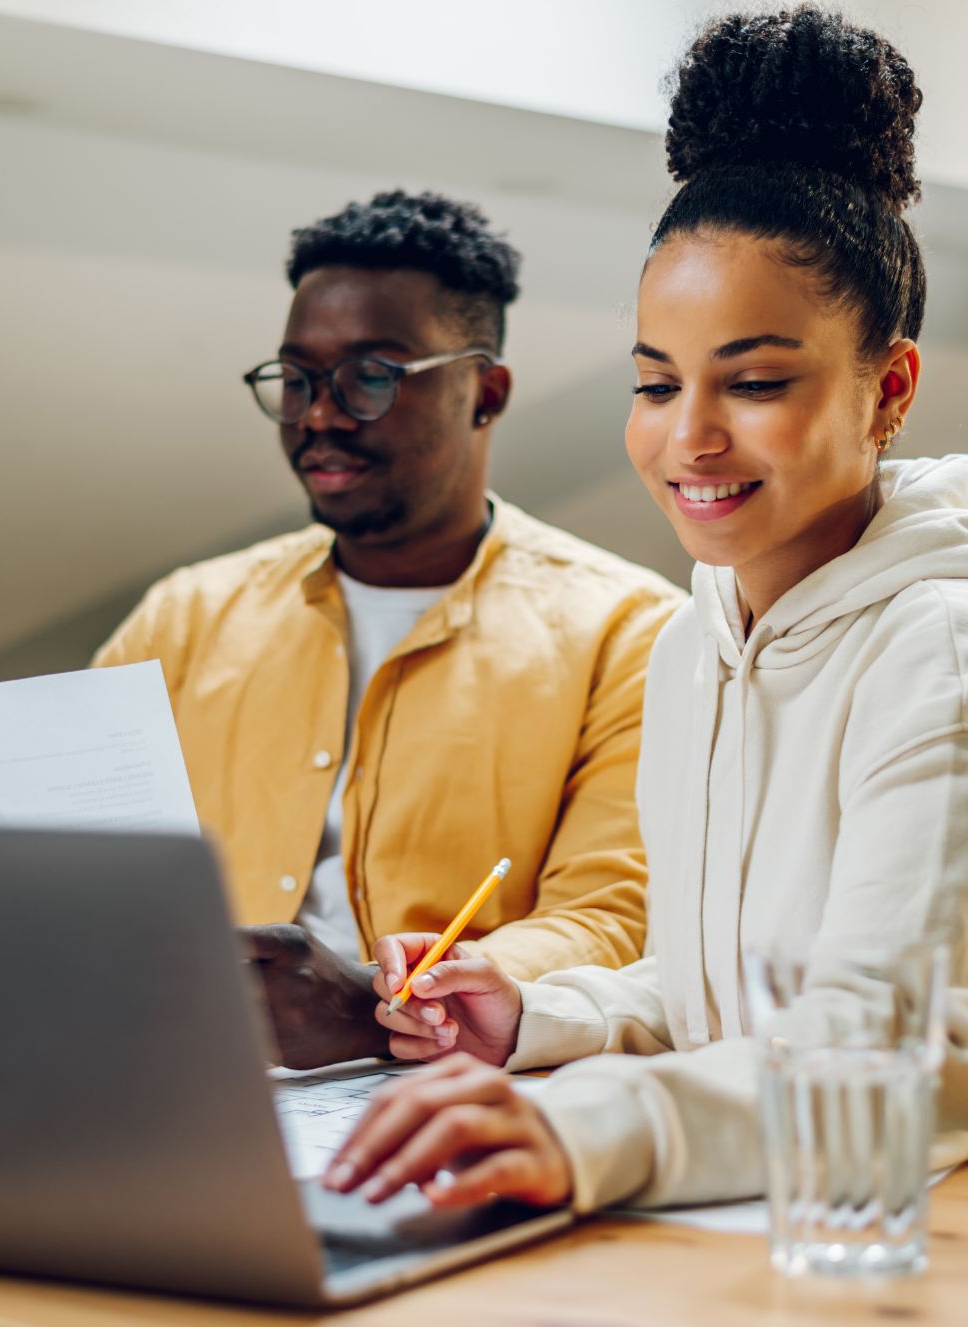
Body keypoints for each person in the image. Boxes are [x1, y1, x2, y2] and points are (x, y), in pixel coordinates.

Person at [323, 6, 968, 1214]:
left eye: (755, 382)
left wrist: (592, 1129)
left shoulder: (964, 653)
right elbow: (731, 1000)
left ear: (890, 388)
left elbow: (891, 1064)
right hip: (782, 1190)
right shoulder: (700, 636)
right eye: (655, 382)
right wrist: (537, 1014)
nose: (687, 437)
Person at [93, 191, 685, 1070]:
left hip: (458, 1084)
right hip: (176, 1069)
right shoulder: (185, 616)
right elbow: (70, 859)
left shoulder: (630, 630)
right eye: (297, 379)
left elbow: (613, 915)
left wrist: (388, 1000)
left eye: (371, 376)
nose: (320, 415)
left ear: (485, 392)